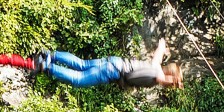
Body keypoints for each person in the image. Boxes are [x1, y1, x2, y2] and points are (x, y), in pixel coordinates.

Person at [33, 38, 184, 89]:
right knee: (78, 80)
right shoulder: (158, 74)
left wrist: (162, 46)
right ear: (171, 76)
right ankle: (46, 66)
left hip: (115, 62)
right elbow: (163, 79)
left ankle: (50, 55)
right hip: (113, 72)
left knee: (82, 64)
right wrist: (176, 82)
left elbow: (158, 52)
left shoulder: (156, 65)